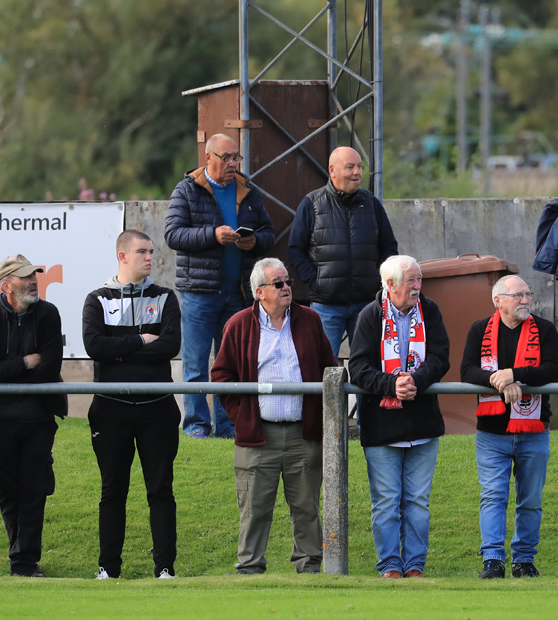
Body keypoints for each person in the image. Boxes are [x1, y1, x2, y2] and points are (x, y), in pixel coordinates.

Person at [211, 258, 337, 575]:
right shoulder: (239, 324)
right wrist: (243, 417)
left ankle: (309, 568)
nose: (286, 288)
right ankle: (249, 568)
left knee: (307, 507)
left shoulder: (310, 320)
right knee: (254, 508)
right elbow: (221, 377)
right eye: (278, 283)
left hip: (303, 433)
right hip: (257, 435)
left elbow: (330, 370)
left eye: (288, 282)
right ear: (259, 292)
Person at [82, 230, 182, 580]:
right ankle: (108, 569)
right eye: (142, 252)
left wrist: (120, 349)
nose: (150, 258)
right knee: (112, 491)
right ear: (122, 256)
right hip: (111, 409)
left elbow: (169, 346)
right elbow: (95, 347)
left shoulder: (166, 298)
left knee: (161, 490)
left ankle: (165, 569)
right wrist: (141, 339)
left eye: (152, 252)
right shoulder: (97, 299)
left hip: (158, 408)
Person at [165, 133, 275, 439]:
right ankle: (197, 426)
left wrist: (256, 241)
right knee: (196, 363)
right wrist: (212, 236)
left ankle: (228, 427)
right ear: (208, 158)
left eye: (235, 157)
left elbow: (269, 232)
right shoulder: (186, 190)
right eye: (226, 158)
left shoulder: (248, 190)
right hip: (198, 293)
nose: (232, 163)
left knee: (232, 364)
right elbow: (173, 235)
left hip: (237, 293)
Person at [348, 255, 449, 579]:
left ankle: (415, 565)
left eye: (420, 279)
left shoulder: (429, 311)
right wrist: (392, 385)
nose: (418, 287)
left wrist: (414, 382)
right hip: (382, 426)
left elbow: (440, 357)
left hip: (422, 424)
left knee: (418, 502)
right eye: (412, 281)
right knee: (387, 502)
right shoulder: (369, 316)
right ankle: (390, 564)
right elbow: (359, 367)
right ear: (390, 285)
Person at [0, 254, 65, 578]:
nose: (34, 281)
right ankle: (20, 557)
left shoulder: (49, 314)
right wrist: (25, 363)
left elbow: (50, 367)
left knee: (35, 490)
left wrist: (9, 378)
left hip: (38, 416)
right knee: (8, 490)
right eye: (25, 278)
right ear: (6, 285)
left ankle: (24, 562)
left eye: (34, 275)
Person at [460, 275, 558, 579]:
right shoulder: (479, 329)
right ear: (498, 301)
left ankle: (524, 560)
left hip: (534, 432)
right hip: (491, 433)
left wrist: (514, 374)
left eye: (528, 295)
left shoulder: (544, 329)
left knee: (530, 499)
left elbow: (552, 370)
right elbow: (467, 370)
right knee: (493, 496)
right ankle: (493, 560)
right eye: (518, 296)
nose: (526, 301)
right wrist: (497, 379)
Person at [288, 146, 398, 357]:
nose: (357, 172)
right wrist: (317, 282)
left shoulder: (372, 204)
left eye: (359, 166)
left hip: (367, 305)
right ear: (332, 170)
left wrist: (377, 280)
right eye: (350, 167)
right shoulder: (312, 204)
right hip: (326, 306)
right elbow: (295, 250)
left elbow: (389, 248)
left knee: (367, 370)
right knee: (323, 370)